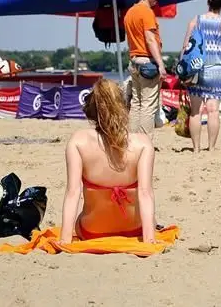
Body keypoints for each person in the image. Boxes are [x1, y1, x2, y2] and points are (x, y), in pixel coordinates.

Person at [58, 78, 156, 244]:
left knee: (81, 216)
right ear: (124, 106)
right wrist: (149, 240)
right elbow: (145, 194)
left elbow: (73, 193)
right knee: (151, 218)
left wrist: (65, 240)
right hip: (134, 230)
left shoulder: (78, 141)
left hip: (92, 231)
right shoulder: (143, 143)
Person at [181, 0, 221, 153]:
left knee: (195, 111)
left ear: (208, 1)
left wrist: (183, 70)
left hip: (197, 69)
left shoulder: (196, 21)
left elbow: (186, 47)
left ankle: (196, 148)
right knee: (213, 111)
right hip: (218, 70)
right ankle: (211, 148)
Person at [124, 0, 167, 139]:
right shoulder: (146, 12)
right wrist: (161, 65)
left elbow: (131, 40)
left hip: (134, 60)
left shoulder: (130, 12)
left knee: (136, 103)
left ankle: (133, 140)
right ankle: (145, 142)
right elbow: (150, 40)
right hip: (147, 62)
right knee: (148, 106)